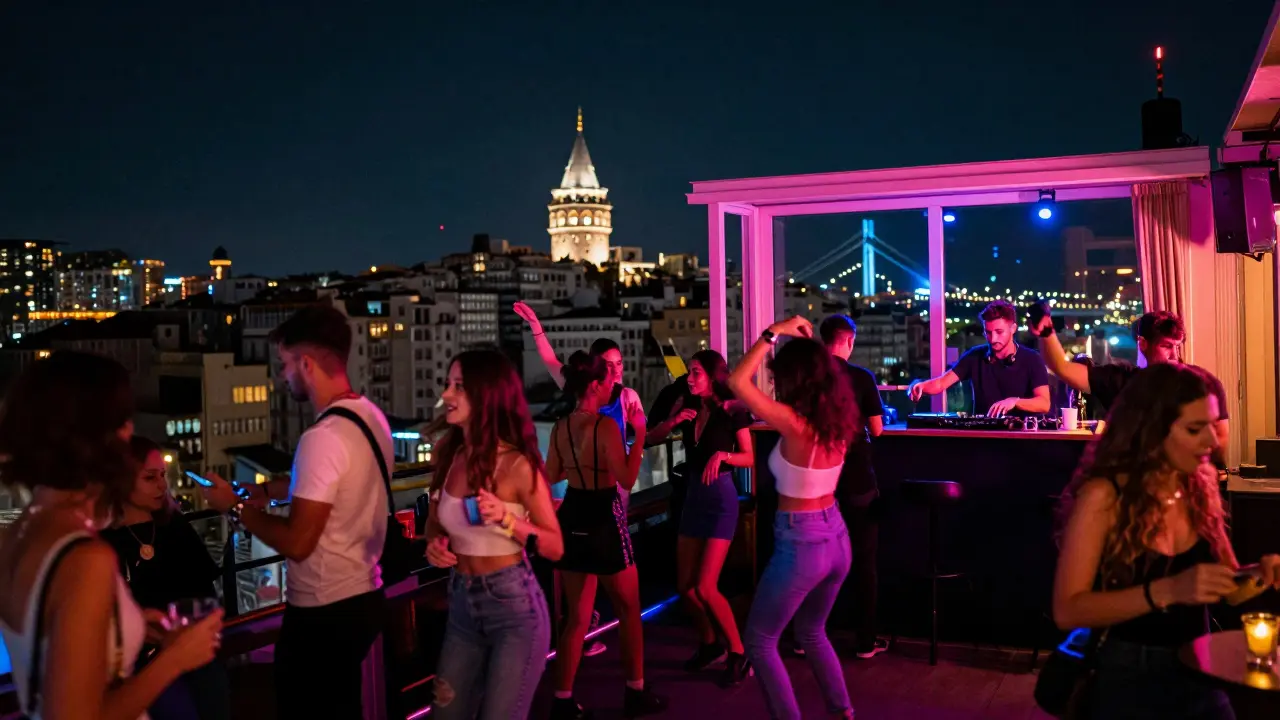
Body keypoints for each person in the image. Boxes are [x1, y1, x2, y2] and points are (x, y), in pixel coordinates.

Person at [0, 351, 222, 720]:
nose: (129, 433)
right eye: (121, 422)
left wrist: (124, 626)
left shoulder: (18, 535)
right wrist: (175, 659)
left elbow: (48, 653)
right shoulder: (85, 557)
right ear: (90, 437)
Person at [1053, 363, 1280, 719]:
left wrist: (1262, 572)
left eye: (1212, 424)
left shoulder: (1200, 484)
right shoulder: (1104, 495)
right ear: (1153, 430)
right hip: (1126, 673)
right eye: (1195, 429)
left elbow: (1229, 587)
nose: (1211, 440)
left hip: (1199, 666)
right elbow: (1067, 611)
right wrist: (1170, 590)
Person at [201, 305, 391, 720]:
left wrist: (233, 506)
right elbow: (337, 479)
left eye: (284, 364)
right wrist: (267, 491)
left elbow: (299, 543)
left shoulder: (321, 437)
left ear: (306, 363)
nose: (281, 376)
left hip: (323, 610)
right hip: (363, 593)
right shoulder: (370, 417)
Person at [423, 350, 565, 720]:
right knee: (445, 714)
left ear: (486, 397)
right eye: (448, 384)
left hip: (513, 609)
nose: (447, 395)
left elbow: (554, 546)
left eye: (459, 387)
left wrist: (509, 520)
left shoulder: (517, 465)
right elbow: (435, 525)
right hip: (461, 605)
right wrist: (434, 545)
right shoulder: (446, 454)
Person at [729, 317, 858, 720]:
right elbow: (824, 371)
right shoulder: (836, 420)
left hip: (801, 544)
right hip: (837, 538)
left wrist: (774, 332)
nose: (776, 384)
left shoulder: (794, 422)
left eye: (781, 377)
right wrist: (812, 348)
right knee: (812, 632)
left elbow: (736, 382)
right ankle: (842, 712)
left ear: (794, 379)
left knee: (760, 640)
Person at [516, 300, 646, 657]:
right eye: (608, 366)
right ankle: (617, 662)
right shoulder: (592, 400)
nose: (615, 372)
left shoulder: (623, 398)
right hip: (600, 491)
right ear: (593, 371)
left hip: (602, 488)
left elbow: (553, 469)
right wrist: (536, 327)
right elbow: (550, 361)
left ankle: (579, 644)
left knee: (594, 565)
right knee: (610, 568)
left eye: (619, 364)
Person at [545, 351, 666, 720]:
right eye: (608, 379)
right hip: (603, 514)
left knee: (576, 619)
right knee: (629, 609)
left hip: (573, 513)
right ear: (595, 385)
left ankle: (563, 699)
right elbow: (627, 478)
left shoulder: (561, 426)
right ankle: (635, 691)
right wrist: (641, 431)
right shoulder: (605, 427)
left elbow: (550, 476)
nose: (614, 382)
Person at [100, 436, 228, 720]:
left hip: (191, 652)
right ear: (121, 481)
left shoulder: (174, 528)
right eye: (150, 477)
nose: (161, 485)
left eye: (162, 476)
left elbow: (204, 591)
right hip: (137, 662)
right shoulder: (102, 544)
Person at [1034, 310, 1230, 461]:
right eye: (1166, 346)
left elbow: (1221, 436)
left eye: (1176, 346)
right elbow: (1062, 367)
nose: (1174, 356)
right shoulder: (1122, 380)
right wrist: (1046, 332)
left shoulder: (1201, 382)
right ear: (1143, 344)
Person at [668, 350, 755, 686]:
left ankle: (738, 651)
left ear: (713, 376)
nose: (689, 378)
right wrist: (674, 419)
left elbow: (749, 458)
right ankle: (709, 644)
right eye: (689, 372)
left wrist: (723, 455)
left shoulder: (732, 411)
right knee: (686, 588)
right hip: (693, 498)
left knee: (705, 586)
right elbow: (653, 433)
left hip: (720, 500)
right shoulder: (689, 410)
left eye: (695, 372)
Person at [818, 314, 889, 660]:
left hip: (818, 483)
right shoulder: (862, 378)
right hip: (857, 481)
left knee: (817, 562)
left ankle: (808, 636)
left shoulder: (811, 378)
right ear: (849, 341)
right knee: (864, 563)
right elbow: (876, 430)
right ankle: (865, 641)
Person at [909, 300, 1051, 417]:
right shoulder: (974, 356)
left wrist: (1014, 401)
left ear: (1013, 328)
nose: (993, 338)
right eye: (988, 332)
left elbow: (1044, 403)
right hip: (984, 437)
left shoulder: (1032, 359)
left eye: (999, 332)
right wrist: (918, 385)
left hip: (1023, 439)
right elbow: (940, 384)